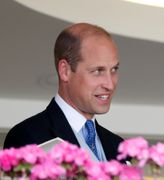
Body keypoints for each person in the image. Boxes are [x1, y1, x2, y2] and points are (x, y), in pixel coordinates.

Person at [4, 23, 124, 162]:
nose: (110, 84)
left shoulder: (118, 146)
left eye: (114, 70)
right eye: (98, 71)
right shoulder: (27, 137)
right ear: (65, 71)